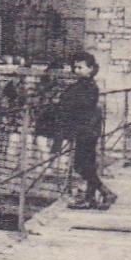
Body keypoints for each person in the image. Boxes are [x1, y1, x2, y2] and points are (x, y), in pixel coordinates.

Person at [53, 51, 116, 210]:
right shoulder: (82, 85)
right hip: (86, 129)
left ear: (91, 69)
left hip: (85, 129)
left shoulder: (87, 87)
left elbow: (79, 106)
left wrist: (62, 103)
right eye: (75, 67)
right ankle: (90, 199)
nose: (77, 70)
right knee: (87, 163)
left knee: (81, 165)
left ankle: (106, 192)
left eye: (80, 67)